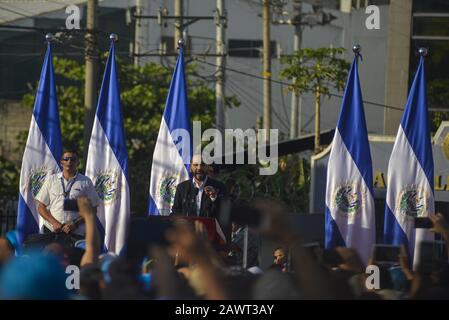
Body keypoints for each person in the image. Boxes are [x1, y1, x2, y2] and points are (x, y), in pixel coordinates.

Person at [34, 148, 100, 246]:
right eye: (66, 159)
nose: (69, 162)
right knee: (52, 260)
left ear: (77, 163)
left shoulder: (86, 182)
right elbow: (41, 206)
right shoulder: (51, 180)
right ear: (61, 162)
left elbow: (93, 209)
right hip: (52, 231)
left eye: (73, 159)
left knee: (72, 260)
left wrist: (75, 223)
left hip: (75, 233)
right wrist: (54, 223)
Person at [171, 154, 227, 219]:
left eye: (203, 165)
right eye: (195, 165)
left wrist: (214, 197)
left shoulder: (219, 187)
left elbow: (225, 212)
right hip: (187, 228)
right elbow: (176, 211)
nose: (199, 168)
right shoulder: (182, 187)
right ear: (191, 167)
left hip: (209, 228)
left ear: (208, 167)